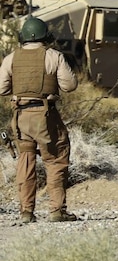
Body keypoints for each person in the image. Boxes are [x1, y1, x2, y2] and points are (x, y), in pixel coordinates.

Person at [0, 16, 79, 223]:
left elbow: (1, 88)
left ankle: (26, 212)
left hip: (21, 117)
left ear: (23, 36)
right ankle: (56, 211)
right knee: (56, 159)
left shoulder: (11, 58)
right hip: (45, 116)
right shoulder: (54, 56)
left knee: (25, 161)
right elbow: (70, 86)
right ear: (46, 36)